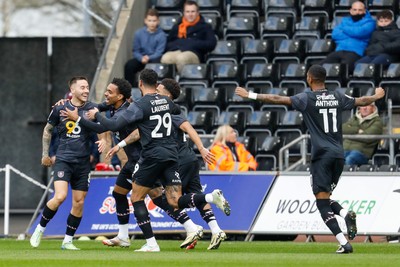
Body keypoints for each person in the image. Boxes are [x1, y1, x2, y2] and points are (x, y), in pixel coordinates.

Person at [235, 64, 385, 254]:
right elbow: (362, 100)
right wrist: (376, 96)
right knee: (325, 197)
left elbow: (277, 98)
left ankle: (344, 243)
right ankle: (345, 215)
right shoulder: (337, 96)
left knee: (321, 203)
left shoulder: (307, 98)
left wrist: (251, 95)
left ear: (310, 79)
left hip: (322, 155)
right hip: (339, 155)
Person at [78, 69, 230, 252]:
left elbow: (112, 125)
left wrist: (96, 116)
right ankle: (210, 197)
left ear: (140, 84)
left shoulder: (140, 105)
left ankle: (151, 243)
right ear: (155, 84)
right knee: (174, 200)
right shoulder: (166, 101)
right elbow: (175, 111)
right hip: (171, 156)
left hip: (151, 156)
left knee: (136, 197)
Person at [30, 76, 106, 250]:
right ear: (72, 90)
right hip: (64, 159)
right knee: (60, 196)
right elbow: (48, 130)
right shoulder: (60, 107)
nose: (86, 90)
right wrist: (45, 154)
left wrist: (103, 140)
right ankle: (40, 229)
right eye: (82, 87)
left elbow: (102, 127)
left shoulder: (92, 109)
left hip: (83, 163)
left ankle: (68, 241)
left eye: (87, 87)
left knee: (79, 202)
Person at [160, 0, 217, 73]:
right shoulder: (178, 26)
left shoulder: (205, 27)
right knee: (166, 58)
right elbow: (168, 43)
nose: (190, 14)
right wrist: (180, 44)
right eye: (187, 12)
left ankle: (183, 82)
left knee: (182, 58)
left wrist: (192, 44)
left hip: (195, 54)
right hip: (177, 50)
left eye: (193, 11)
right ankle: (169, 83)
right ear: (184, 13)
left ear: (197, 13)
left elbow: (211, 44)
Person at [319, 1, 376, 73]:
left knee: (341, 71)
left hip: (355, 53)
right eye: (355, 10)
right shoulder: (345, 20)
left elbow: (359, 32)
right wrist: (353, 34)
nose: (357, 12)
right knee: (319, 68)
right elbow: (335, 34)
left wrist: (345, 29)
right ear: (351, 10)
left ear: (364, 11)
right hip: (340, 50)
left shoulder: (370, 22)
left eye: (360, 10)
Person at [124, 8, 166, 87]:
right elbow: (135, 50)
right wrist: (141, 58)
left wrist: (149, 57)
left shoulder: (162, 35)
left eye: (154, 21)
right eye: (149, 20)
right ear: (145, 21)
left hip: (154, 60)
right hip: (141, 59)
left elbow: (159, 52)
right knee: (129, 65)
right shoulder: (138, 33)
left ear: (158, 21)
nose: (152, 23)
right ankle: (129, 90)